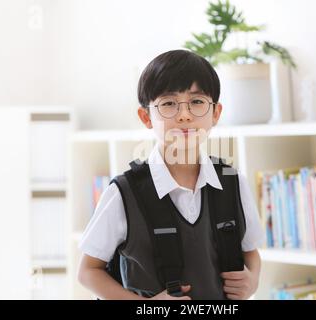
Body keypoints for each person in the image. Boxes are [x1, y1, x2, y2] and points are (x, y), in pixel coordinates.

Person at [77, 49, 263, 300]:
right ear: (146, 117)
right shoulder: (124, 192)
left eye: (197, 102)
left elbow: (250, 251)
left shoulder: (232, 181)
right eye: (168, 103)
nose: (184, 114)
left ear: (216, 113)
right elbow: (88, 271)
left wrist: (252, 280)